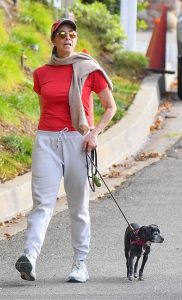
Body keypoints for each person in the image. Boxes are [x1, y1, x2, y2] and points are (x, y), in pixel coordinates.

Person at [15, 18, 117, 283]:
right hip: (47, 140)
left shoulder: (88, 69)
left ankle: (80, 263)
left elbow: (110, 107)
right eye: (62, 34)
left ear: (76, 39)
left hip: (78, 140)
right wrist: (49, 135)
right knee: (42, 203)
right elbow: (45, 108)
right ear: (54, 40)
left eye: (72, 34)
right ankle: (30, 256)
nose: (67, 38)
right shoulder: (41, 73)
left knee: (78, 205)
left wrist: (94, 133)